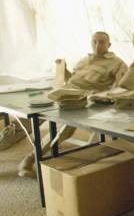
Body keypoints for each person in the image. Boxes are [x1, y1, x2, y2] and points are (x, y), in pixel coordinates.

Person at [16, 31, 128, 177]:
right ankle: (8, 139)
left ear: (109, 44)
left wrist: (101, 98)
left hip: (82, 100)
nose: (97, 45)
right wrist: (64, 69)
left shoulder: (117, 63)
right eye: (94, 41)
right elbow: (72, 79)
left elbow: (121, 88)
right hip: (64, 91)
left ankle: (30, 159)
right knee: (34, 111)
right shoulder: (84, 60)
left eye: (101, 42)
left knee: (64, 126)